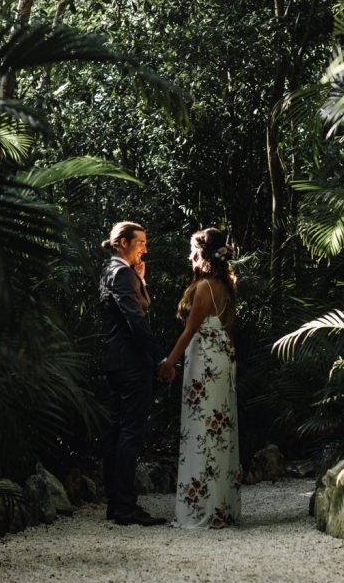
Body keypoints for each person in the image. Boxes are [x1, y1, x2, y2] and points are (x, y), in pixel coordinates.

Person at [158, 228, 242, 528]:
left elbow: (190, 330)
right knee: (217, 430)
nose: (189, 255)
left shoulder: (206, 287)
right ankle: (220, 508)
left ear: (203, 254)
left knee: (202, 430)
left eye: (193, 250)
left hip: (205, 362)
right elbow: (228, 332)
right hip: (222, 358)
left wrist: (169, 363)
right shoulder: (225, 285)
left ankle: (200, 510)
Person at [98, 221, 170, 526]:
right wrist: (161, 357)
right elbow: (135, 320)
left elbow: (138, 306)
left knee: (117, 433)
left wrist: (141, 280)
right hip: (131, 364)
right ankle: (125, 506)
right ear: (124, 242)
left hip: (115, 362)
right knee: (130, 433)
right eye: (141, 242)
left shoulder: (109, 271)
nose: (145, 248)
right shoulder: (122, 273)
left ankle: (116, 504)